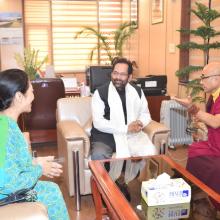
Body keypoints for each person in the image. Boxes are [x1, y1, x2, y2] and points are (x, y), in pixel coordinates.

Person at [0, 69, 69, 220]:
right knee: (51, 192)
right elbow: (7, 183)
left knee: (51, 188)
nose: (33, 96)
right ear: (19, 96)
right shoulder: (4, 130)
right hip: (4, 197)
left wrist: (36, 162)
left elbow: (11, 164)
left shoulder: (7, 123)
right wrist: (40, 169)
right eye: (31, 92)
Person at [172, 62, 220, 208]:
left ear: (217, 78)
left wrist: (191, 108)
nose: (201, 82)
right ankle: (193, 190)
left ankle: (213, 200)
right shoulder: (214, 96)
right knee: (195, 150)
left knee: (210, 165)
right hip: (214, 143)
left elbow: (216, 122)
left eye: (204, 77)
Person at [90, 57, 157, 160]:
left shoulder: (138, 92)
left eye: (122, 74)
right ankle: (101, 177)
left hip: (131, 135)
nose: (117, 77)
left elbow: (145, 113)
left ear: (130, 77)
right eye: (115, 73)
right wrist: (126, 128)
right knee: (99, 154)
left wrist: (139, 122)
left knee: (150, 151)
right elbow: (98, 122)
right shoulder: (100, 93)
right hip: (105, 136)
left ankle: (141, 176)